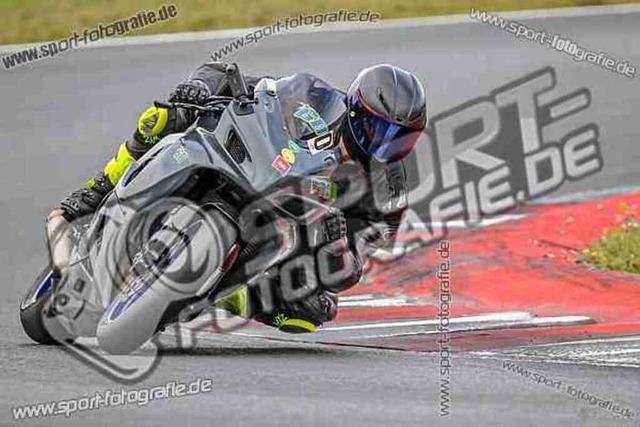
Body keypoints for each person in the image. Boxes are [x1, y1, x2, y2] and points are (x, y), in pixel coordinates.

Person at [46, 62, 427, 334]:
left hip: (287, 233)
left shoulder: (389, 191)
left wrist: (338, 244)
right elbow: (230, 77)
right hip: (247, 165)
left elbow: (353, 269)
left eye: (400, 137)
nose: (386, 143)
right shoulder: (314, 98)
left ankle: (219, 295)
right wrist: (198, 87)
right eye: (379, 128)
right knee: (162, 117)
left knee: (310, 311)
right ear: (356, 111)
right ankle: (96, 191)